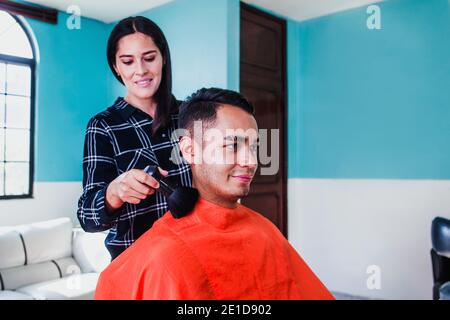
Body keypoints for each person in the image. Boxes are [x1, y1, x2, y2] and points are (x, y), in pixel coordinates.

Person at [95, 88, 334, 300]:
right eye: (232, 146)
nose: (251, 161)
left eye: (253, 147)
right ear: (190, 150)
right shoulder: (162, 256)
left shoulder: (265, 232)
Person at [77, 16, 191, 260]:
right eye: (128, 61)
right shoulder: (103, 126)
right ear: (116, 67)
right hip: (136, 267)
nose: (140, 70)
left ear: (163, 59)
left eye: (149, 58)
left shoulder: (190, 116)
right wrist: (115, 192)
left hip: (193, 257)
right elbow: (87, 218)